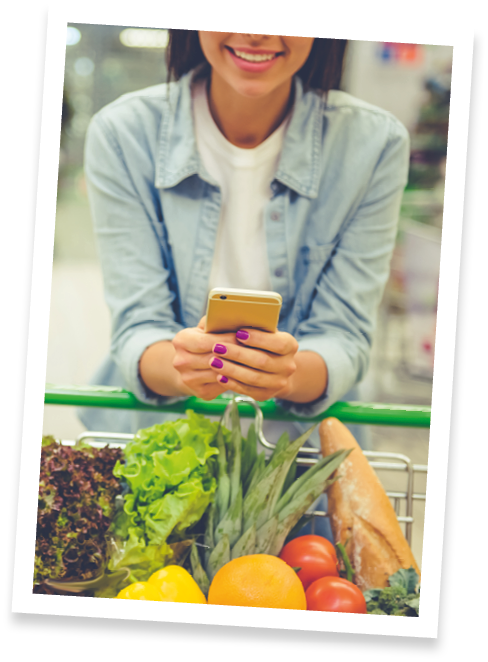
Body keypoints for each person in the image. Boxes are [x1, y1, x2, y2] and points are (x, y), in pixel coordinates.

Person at [79, 30, 410, 461]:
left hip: (299, 461)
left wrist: (286, 376)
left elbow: (344, 335)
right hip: (162, 451)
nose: (257, 32)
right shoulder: (123, 132)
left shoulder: (374, 144)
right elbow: (138, 326)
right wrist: (182, 366)